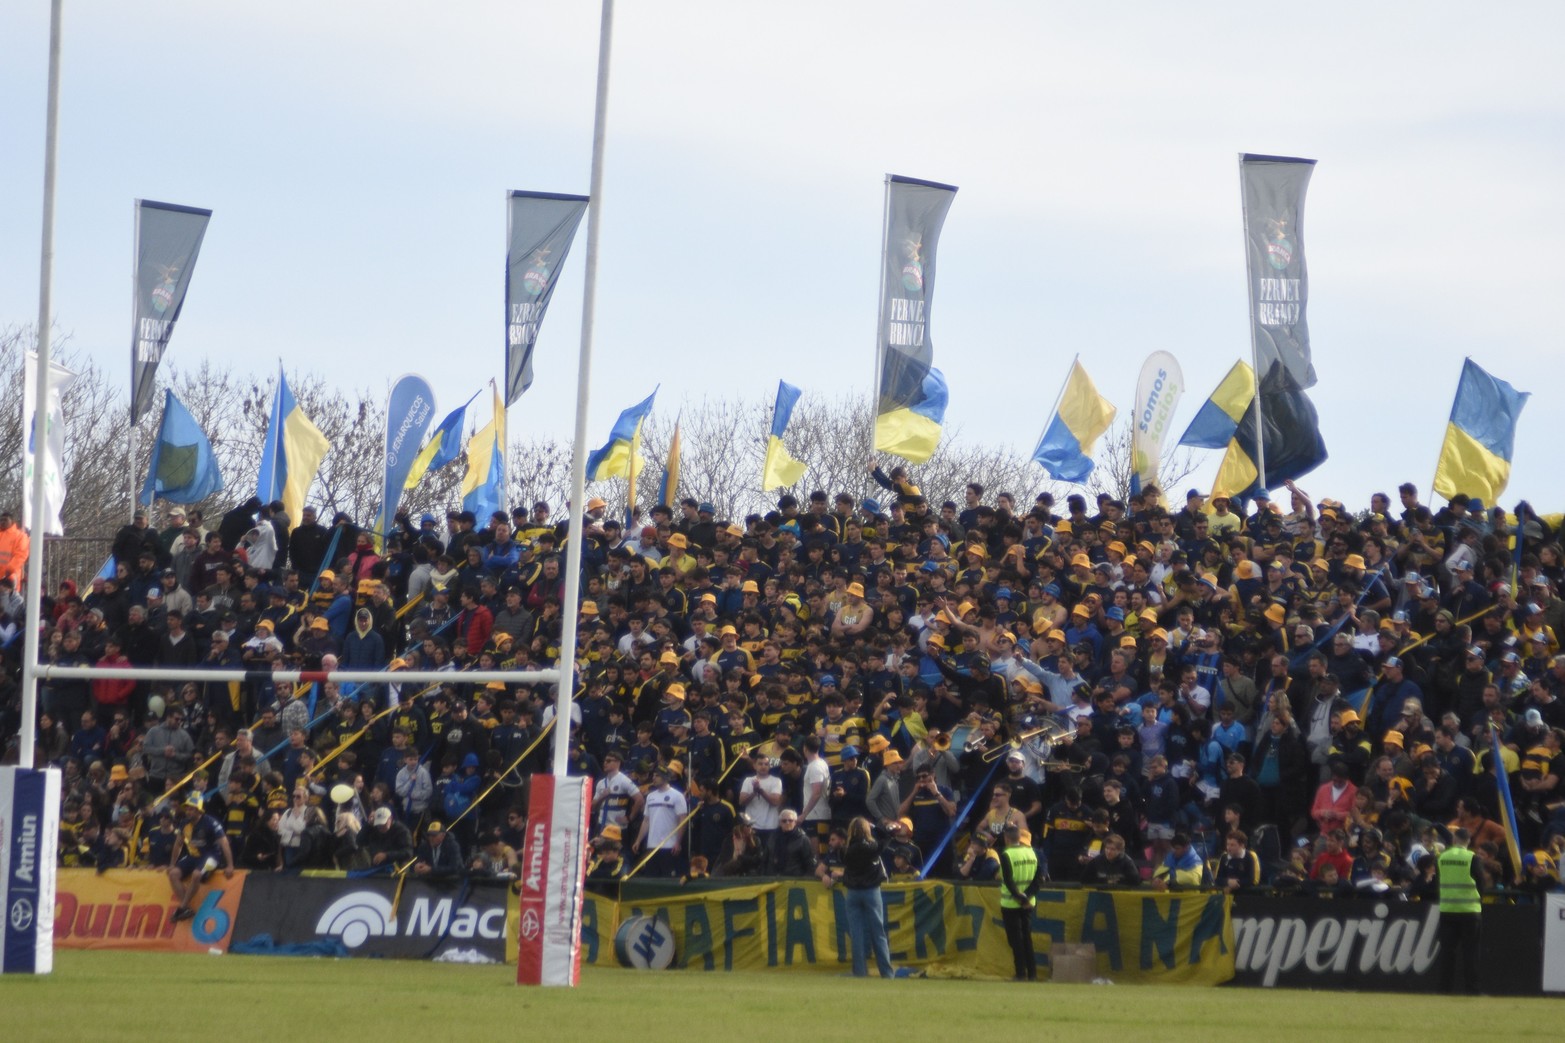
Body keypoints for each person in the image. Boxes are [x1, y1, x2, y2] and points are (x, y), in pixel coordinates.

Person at [835, 816, 894, 978]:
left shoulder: (846, 849)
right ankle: (887, 972)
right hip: (871, 891)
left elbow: (842, 856)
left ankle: (859, 971)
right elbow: (885, 841)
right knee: (878, 932)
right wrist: (879, 827)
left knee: (857, 934)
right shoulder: (871, 846)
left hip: (853, 893)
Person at [167, 794, 235, 923]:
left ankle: (182, 907)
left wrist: (230, 865)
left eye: (192, 809)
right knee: (173, 874)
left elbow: (224, 843)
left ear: (199, 810)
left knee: (196, 875)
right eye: (187, 809)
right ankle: (185, 907)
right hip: (193, 856)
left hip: (211, 856)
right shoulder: (184, 823)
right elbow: (178, 844)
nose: (188, 811)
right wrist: (172, 863)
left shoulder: (211, 822)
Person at [1437, 827, 1487, 995]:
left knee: (1447, 952)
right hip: (1469, 910)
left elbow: (1438, 879)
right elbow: (1481, 882)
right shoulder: (1472, 858)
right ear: (1468, 841)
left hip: (1447, 910)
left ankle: (1444, 990)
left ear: (1454, 840)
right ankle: (1473, 990)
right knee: (1470, 952)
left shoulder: (1442, 857)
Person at [996, 822, 1041, 982]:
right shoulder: (1032, 853)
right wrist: (1027, 897)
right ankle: (1033, 973)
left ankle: (1021, 973)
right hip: (1029, 903)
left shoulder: (1006, 855)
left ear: (1006, 839)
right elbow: (1038, 879)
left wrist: (1019, 897)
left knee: (1016, 940)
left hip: (1011, 904)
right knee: (1027, 938)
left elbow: (1008, 881)